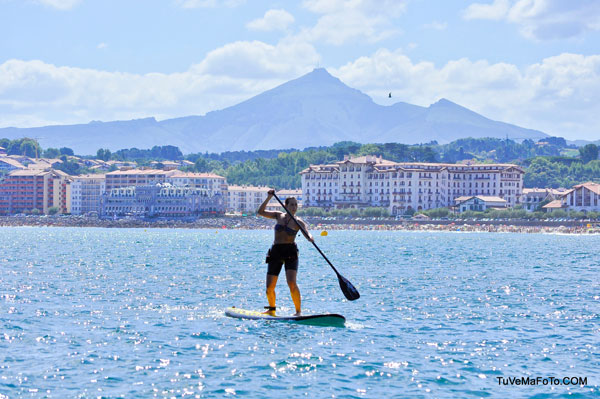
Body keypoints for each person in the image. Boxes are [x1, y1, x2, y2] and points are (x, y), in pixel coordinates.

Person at [257, 189, 314, 316]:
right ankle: (271, 310)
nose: (294, 207)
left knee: (292, 282)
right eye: (291, 204)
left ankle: (298, 312)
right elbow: (260, 212)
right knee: (269, 287)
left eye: (296, 205)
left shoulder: (299, 222)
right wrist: (268, 197)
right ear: (286, 205)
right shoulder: (278, 215)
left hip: (290, 252)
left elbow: (307, 232)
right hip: (276, 251)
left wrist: (310, 237)